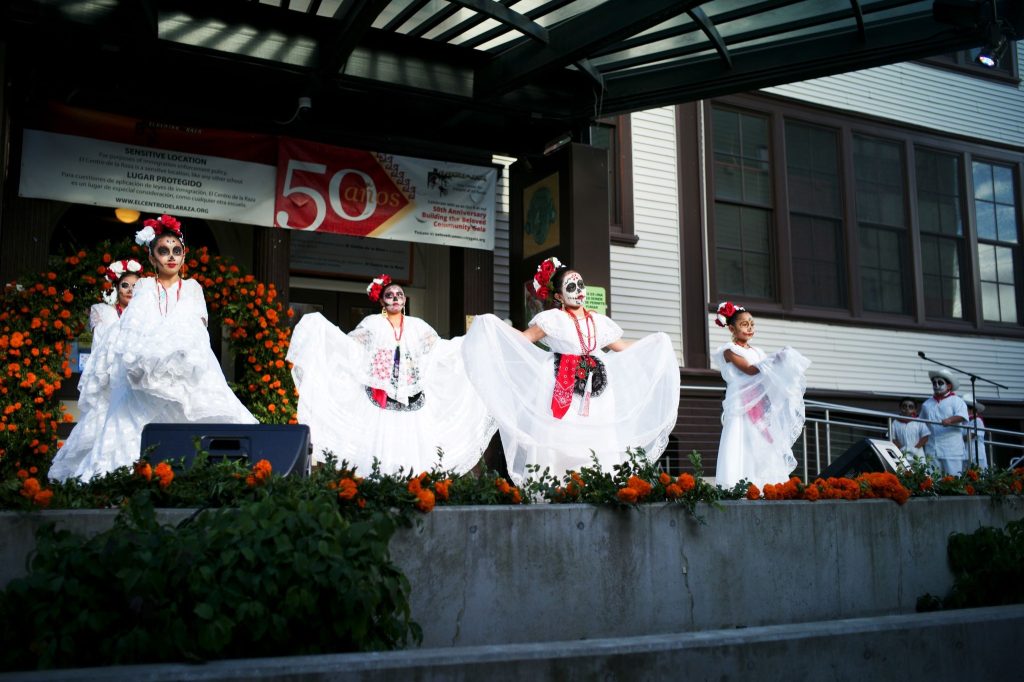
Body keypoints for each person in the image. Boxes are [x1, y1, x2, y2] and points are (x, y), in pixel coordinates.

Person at [65, 215, 256, 482]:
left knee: (199, 419)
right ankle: (125, 482)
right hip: (145, 371)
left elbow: (197, 327)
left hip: (187, 368)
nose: (171, 256)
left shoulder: (193, 288)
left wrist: (174, 349)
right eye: (163, 251)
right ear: (153, 258)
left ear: (184, 255)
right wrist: (153, 354)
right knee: (131, 430)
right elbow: (135, 325)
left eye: (176, 251)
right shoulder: (143, 285)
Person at [461, 257, 680, 484]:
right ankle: (559, 485)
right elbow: (526, 339)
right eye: (571, 287)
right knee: (560, 436)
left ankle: (599, 483)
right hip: (562, 381)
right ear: (558, 296)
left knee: (597, 437)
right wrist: (495, 326)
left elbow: (621, 347)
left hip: (598, 388)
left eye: (581, 285)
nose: (579, 291)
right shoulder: (554, 319)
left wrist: (655, 342)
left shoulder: (598, 321)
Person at [287, 274, 495, 474]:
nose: (395, 298)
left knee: (411, 444)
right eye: (390, 295)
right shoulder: (372, 323)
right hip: (379, 397)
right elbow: (352, 348)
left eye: (399, 294)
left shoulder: (418, 326)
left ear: (405, 300)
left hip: (412, 397)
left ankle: (413, 486)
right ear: (382, 301)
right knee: (379, 444)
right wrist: (322, 331)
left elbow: (438, 349)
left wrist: (469, 343)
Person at [48, 258, 142, 482]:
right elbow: (100, 344)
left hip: (135, 379)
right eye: (125, 285)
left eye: (135, 286)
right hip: (109, 377)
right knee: (102, 424)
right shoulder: (102, 311)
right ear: (117, 288)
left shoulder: (145, 316)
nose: (130, 290)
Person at [712, 301, 811, 489]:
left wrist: (779, 361)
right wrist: (773, 361)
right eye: (744, 324)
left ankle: (765, 483)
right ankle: (737, 485)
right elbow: (751, 370)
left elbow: (767, 373)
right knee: (742, 438)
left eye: (752, 323)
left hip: (759, 400)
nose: (749, 328)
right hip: (742, 401)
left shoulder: (757, 351)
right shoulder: (729, 350)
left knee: (762, 439)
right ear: (732, 328)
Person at [918, 368, 969, 476]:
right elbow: (920, 423)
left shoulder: (957, 400)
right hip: (932, 448)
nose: (936, 385)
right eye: (934, 383)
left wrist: (950, 420)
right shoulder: (927, 404)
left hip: (951, 448)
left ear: (949, 386)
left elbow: (963, 416)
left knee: (953, 479)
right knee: (934, 479)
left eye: (940, 383)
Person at [890, 397, 929, 463]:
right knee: (902, 472)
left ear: (915, 410)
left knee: (920, 472)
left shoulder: (919, 421)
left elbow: (925, 437)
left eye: (910, 407)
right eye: (904, 406)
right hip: (901, 453)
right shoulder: (895, 422)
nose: (907, 408)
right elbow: (892, 437)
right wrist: (900, 448)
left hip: (917, 454)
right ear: (900, 408)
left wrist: (916, 448)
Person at [962, 393, 988, 469]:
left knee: (978, 475)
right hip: (965, 454)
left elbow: (972, 435)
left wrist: (956, 438)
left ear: (971, 409)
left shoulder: (978, 420)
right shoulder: (963, 421)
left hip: (976, 454)